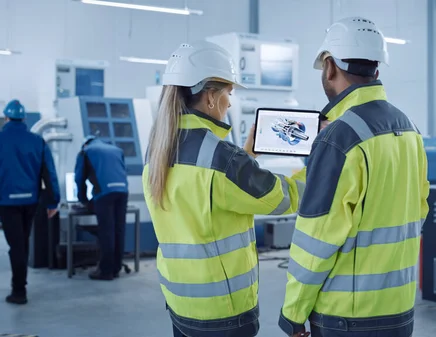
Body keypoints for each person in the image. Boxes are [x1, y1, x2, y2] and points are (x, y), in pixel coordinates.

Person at [278, 17, 430, 337]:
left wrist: (293, 313)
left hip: (346, 316)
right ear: (376, 69)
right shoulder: (410, 129)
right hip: (399, 309)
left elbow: (315, 241)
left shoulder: (340, 138)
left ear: (330, 66)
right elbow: (419, 211)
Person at [142, 42, 306, 337]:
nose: (230, 102)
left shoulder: (157, 149)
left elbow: (211, 190)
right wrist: (321, 159)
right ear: (210, 97)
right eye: (228, 93)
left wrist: (246, 157)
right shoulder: (222, 158)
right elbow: (286, 199)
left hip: (180, 301)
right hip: (223, 313)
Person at [0, 99, 61, 304]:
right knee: (22, 243)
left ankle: (19, 291)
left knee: (16, 246)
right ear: (24, 118)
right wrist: (53, 202)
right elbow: (49, 174)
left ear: (6, 117)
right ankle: (20, 287)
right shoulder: (37, 141)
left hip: (6, 202)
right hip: (30, 202)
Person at [74, 135, 129, 281]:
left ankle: (105, 272)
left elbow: (79, 179)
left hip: (104, 193)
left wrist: (83, 200)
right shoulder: (116, 149)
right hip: (122, 192)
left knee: (106, 232)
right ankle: (116, 268)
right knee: (119, 230)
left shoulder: (86, 151)